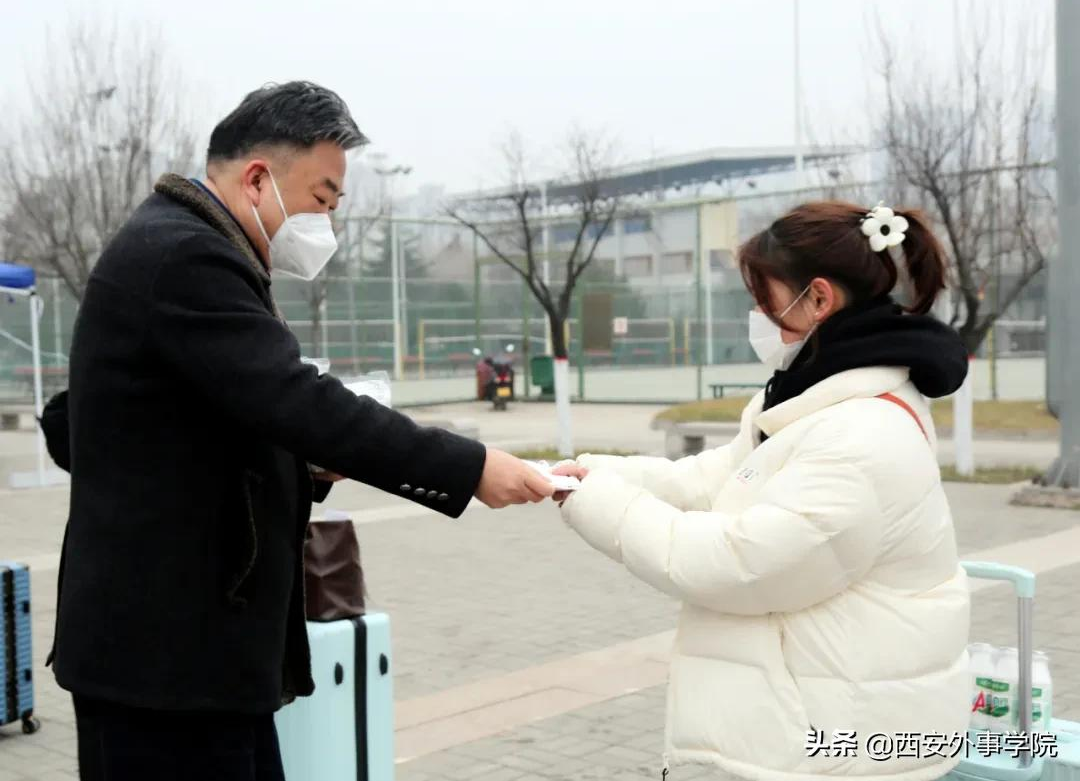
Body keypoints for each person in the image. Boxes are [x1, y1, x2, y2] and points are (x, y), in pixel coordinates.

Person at [48, 81, 553, 781]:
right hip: (163, 669)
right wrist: (469, 467)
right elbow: (298, 401)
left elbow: (210, 422)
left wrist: (308, 465)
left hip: (199, 662)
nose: (327, 224)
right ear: (258, 178)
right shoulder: (185, 258)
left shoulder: (195, 245)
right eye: (322, 198)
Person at [553, 201, 971, 781]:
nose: (756, 313)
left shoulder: (860, 435)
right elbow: (719, 479)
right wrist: (595, 474)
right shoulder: (810, 399)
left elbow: (738, 564)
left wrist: (598, 504)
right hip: (819, 720)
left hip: (844, 746)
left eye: (763, 296)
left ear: (819, 299)